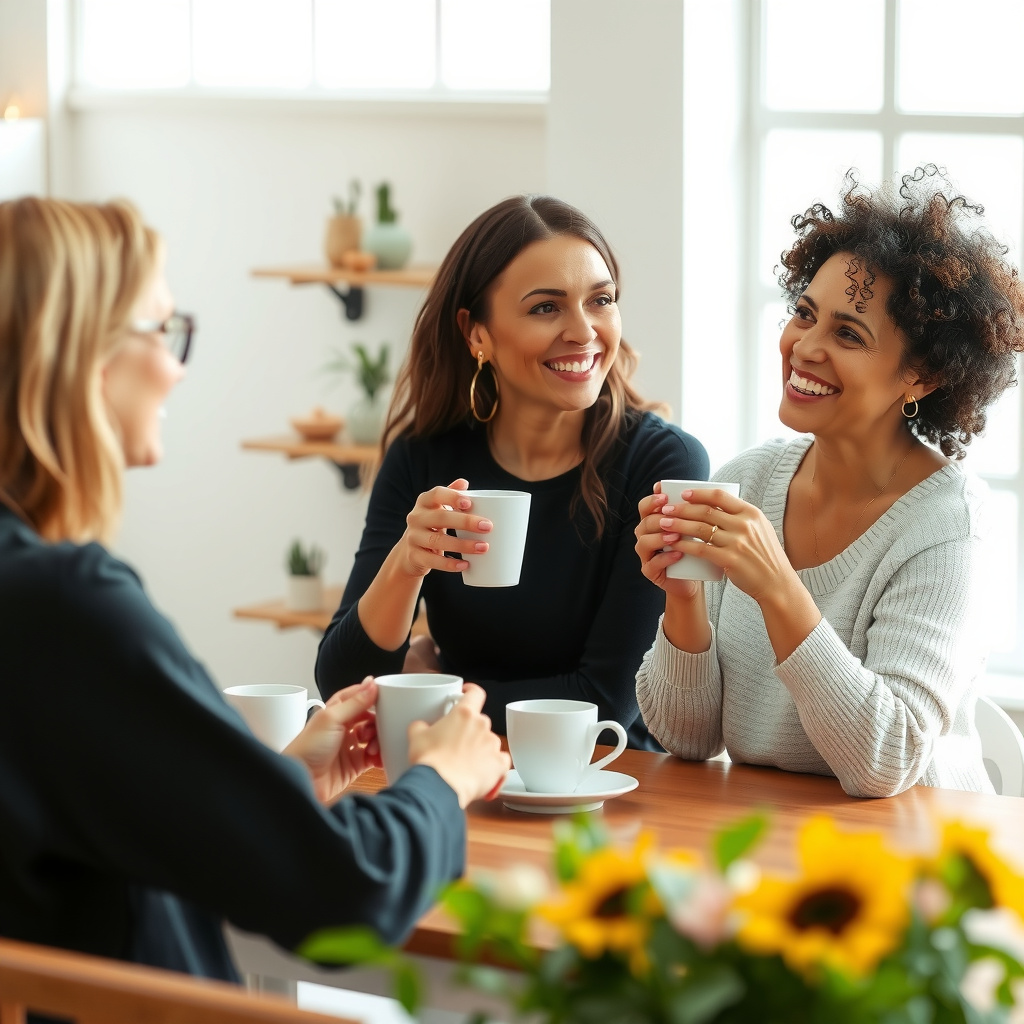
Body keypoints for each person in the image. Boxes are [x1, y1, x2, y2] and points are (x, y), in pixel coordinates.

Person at [0, 196, 510, 982]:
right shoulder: (62, 606)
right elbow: (347, 891)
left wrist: (279, 783)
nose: (175, 366)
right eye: (163, 331)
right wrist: (443, 781)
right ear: (78, 355)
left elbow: (61, 822)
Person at [634, 166, 1024, 796]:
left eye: (848, 333)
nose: (804, 346)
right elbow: (688, 736)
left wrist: (779, 587)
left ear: (920, 376)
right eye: (804, 314)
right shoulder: (748, 480)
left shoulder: (948, 526)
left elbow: (887, 760)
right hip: (771, 837)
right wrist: (684, 599)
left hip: (915, 855)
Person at [315, 195, 709, 750]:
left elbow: (605, 699)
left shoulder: (662, 464)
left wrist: (433, 694)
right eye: (545, 307)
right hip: (460, 771)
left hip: (609, 780)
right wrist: (406, 563)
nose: (583, 331)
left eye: (601, 300)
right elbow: (343, 683)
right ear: (477, 334)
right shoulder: (423, 458)